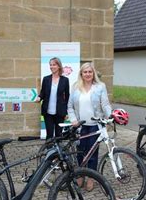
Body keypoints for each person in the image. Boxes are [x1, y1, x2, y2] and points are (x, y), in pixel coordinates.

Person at [68, 62, 112, 191]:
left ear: (93, 73)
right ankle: (80, 174)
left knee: (92, 153)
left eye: (90, 72)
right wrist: (73, 120)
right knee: (80, 151)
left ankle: (91, 178)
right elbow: (70, 106)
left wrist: (111, 117)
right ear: (81, 74)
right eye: (85, 72)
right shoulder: (75, 87)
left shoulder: (100, 86)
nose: (87, 74)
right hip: (80, 126)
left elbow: (105, 104)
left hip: (95, 125)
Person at [36, 57, 70, 139]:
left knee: (59, 135)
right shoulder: (46, 79)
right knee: (49, 135)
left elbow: (67, 97)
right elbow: (43, 92)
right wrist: (39, 97)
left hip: (60, 112)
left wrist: (66, 112)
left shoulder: (65, 80)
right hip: (47, 112)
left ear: (58, 66)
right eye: (50, 65)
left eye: (54, 64)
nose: (52, 67)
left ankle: (58, 151)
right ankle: (48, 151)